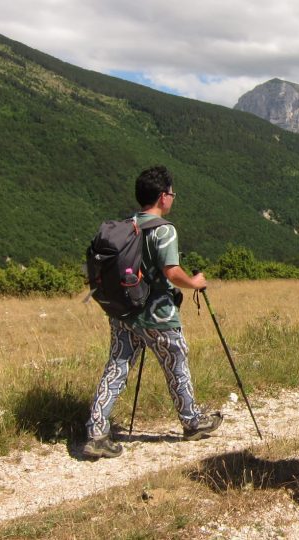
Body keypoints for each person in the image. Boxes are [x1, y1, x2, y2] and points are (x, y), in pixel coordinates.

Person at [82, 166, 220, 459]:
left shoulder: (128, 224)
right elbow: (172, 271)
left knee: (117, 366)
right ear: (162, 196)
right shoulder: (164, 230)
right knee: (176, 363)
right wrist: (194, 283)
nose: (173, 198)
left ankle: (96, 431)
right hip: (157, 314)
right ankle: (192, 421)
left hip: (124, 312)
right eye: (172, 193)